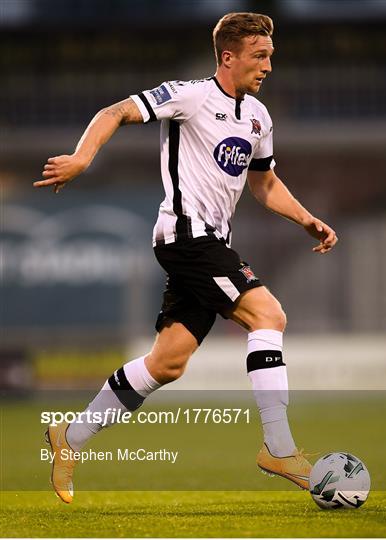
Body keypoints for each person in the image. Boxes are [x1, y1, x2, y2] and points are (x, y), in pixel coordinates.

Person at [34, 12, 338, 504]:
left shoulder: (259, 117)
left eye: (270, 57)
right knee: (269, 314)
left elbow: (264, 183)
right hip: (185, 236)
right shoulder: (189, 95)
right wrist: (82, 158)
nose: (267, 66)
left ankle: (69, 439)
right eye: (259, 56)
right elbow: (113, 112)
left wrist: (305, 219)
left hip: (210, 240)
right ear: (228, 57)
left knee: (167, 362)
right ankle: (279, 447)